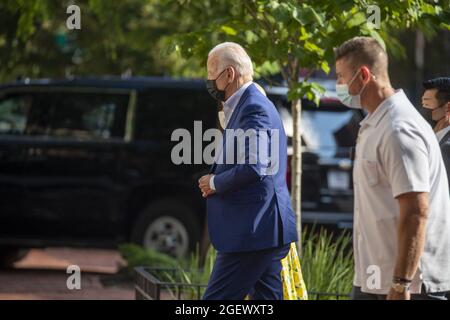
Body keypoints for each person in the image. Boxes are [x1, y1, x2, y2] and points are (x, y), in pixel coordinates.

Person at [334, 36, 450, 300]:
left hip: (410, 285)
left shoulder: (399, 129)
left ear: (363, 75)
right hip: (375, 278)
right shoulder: (375, 124)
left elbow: (416, 211)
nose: (337, 85)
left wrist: (400, 284)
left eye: (341, 77)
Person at [198, 42, 298, 300]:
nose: (209, 81)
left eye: (211, 73)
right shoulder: (250, 104)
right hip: (261, 229)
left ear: (229, 74)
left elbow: (256, 166)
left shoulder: (253, 106)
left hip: (253, 231)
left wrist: (215, 182)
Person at [422, 77, 450, 184]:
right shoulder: (433, 139)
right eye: (422, 103)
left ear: (448, 108)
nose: (423, 109)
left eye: (427, 104)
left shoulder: (446, 148)